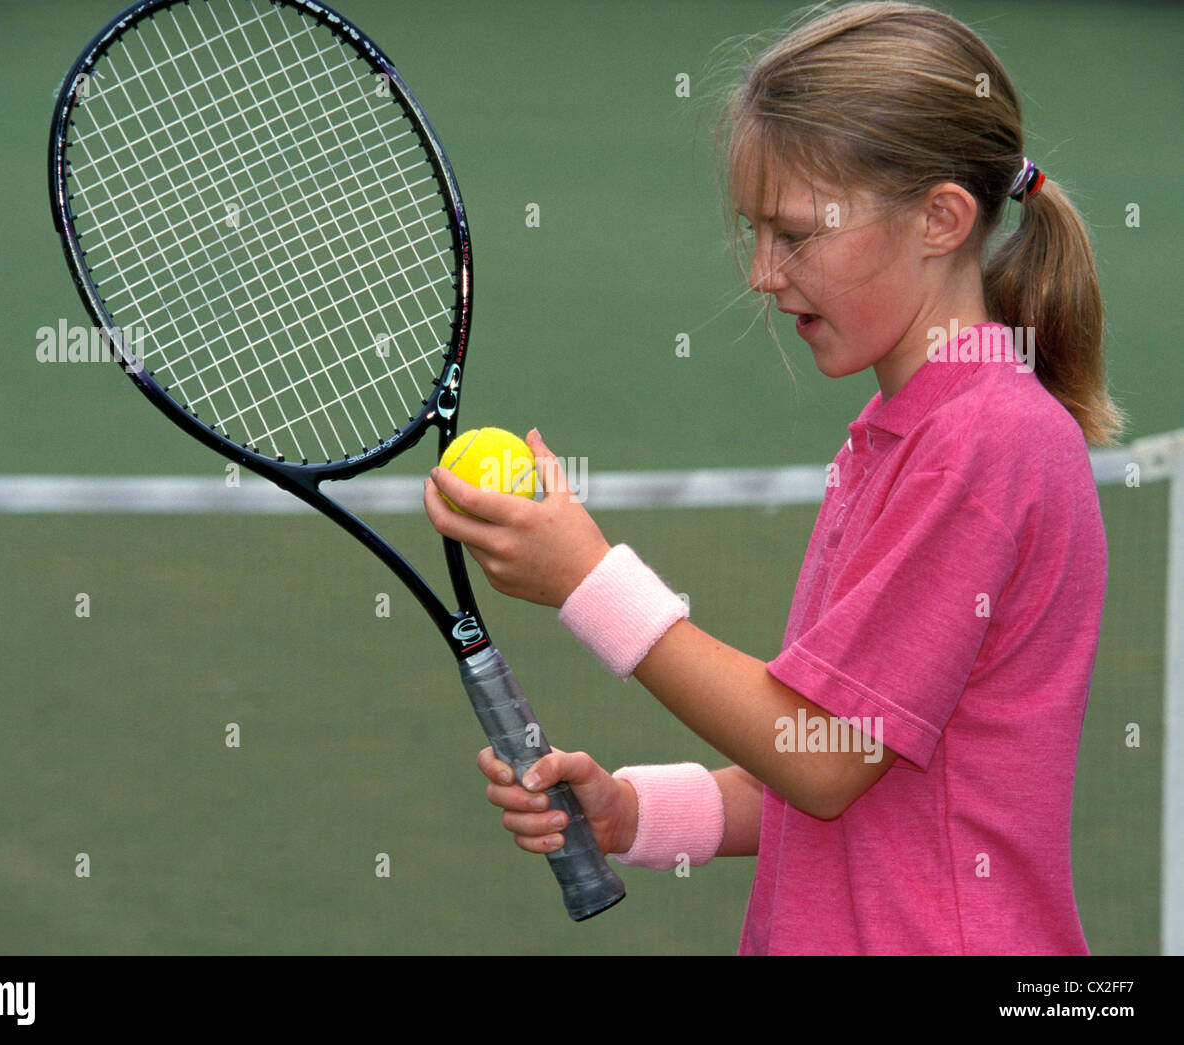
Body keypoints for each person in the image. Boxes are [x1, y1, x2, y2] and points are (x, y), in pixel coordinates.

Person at [423, 0, 1121, 955]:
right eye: (752, 231)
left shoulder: (986, 446)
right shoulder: (900, 435)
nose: (761, 272)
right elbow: (831, 761)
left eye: (795, 234)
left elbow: (826, 761)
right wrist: (631, 811)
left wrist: (587, 580)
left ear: (941, 218)